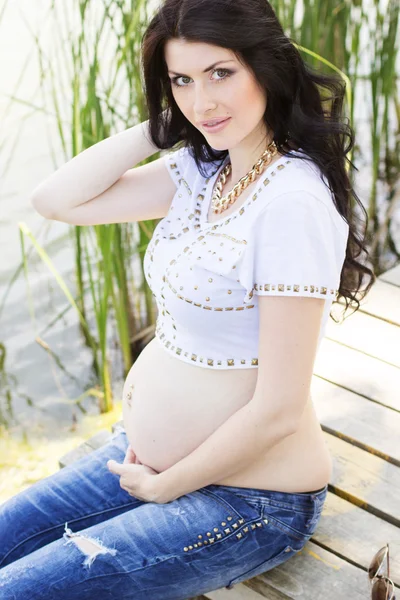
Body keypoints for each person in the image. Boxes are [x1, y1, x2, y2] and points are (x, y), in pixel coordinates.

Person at [0, 0, 375, 598]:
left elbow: (278, 408)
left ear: (266, 68)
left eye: (220, 73)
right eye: (182, 80)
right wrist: (163, 124)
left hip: (251, 500)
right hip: (145, 460)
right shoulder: (205, 171)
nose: (203, 101)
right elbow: (57, 201)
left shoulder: (291, 204)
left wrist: (170, 483)